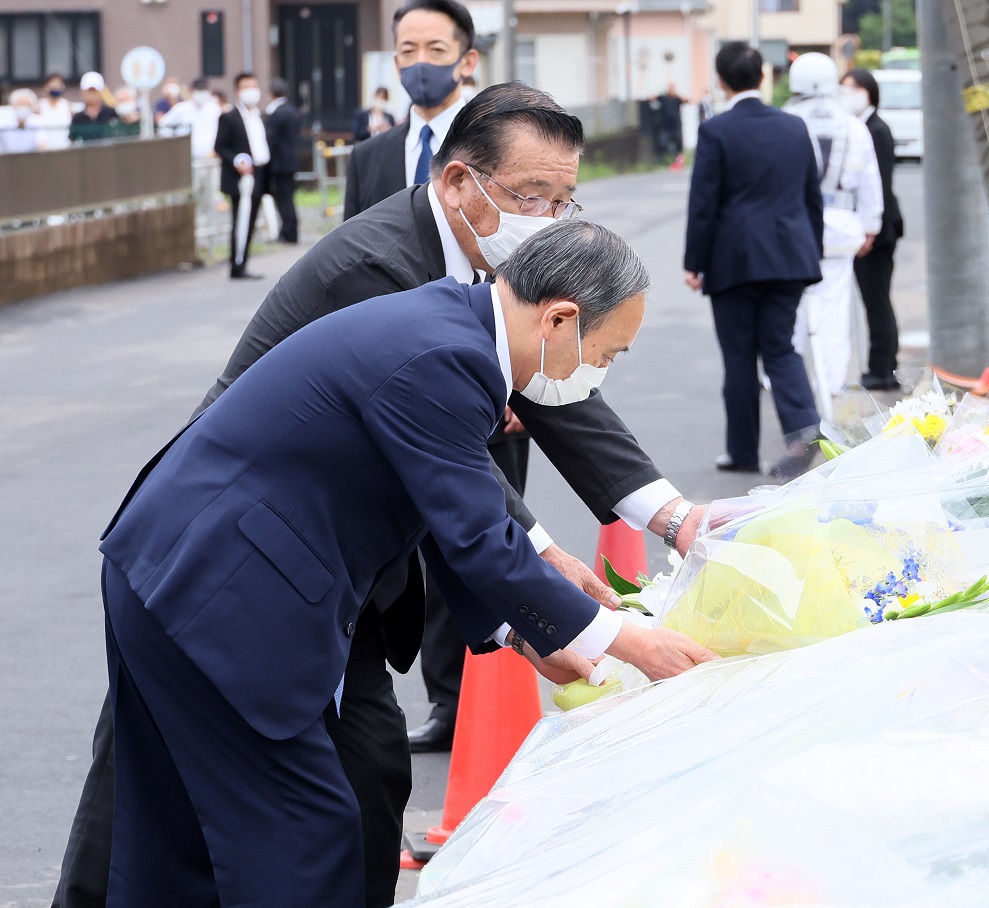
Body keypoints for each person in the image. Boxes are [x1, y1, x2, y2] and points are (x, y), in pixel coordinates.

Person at [51, 82, 711, 908]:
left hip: (190, 568)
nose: (597, 374)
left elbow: (448, 514)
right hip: (217, 585)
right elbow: (475, 534)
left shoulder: (453, 324)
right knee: (306, 832)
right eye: (605, 354)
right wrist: (628, 640)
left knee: (178, 840)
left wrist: (531, 622)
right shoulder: (441, 350)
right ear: (560, 318)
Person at [344, 0, 528, 752]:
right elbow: (357, 267)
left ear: (467, 59)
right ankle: (446, 702)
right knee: (407, 549)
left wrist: (516, 384)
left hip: (488, 384)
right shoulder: (372, 158)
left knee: (482, 535)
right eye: (406, 46)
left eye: (435, 46)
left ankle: (486, 705)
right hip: (392, 387)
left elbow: (536, 273)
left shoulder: (506, 151)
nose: (418, 58)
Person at [684, 42, 824, 481]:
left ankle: (742, 450)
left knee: (740, 358)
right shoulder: (794, 126)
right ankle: (805, 434)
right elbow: (810, 197)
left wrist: (695, 261)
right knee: (781, 348)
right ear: (763, 78)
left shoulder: (717, 130)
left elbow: (705, 202)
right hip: (789, 257)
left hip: (734, 261)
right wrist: (811, 251)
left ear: (722, 82)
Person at [784, 53, 882, 412]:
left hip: (795, 225)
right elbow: (869, 182)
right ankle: (833, 382)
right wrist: (871, 225)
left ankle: (783, 376)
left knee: (789, 305)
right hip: (841, 227)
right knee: (834, 307)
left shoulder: (787, 119)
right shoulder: (852, 125)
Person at [344, 0, 479, 219]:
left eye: (436, 49)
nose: (420, 62)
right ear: (397, 65)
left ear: (467, 62)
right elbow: (351, 247)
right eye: (408, 50)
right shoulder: (366, 158)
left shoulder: (497, 146)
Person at [843, 68, 905, 391]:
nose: (846, 93)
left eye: (851, 88)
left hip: (878, 233)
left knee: (877, 299)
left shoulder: (875, 130)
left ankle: (883, 368)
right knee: (875, 299)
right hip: (872, 229)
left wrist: (870, 231)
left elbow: (878, 186)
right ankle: (881, 365)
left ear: (868, 91)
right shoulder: (863, 128)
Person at [213, 72, 270, 279]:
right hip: (240, 177)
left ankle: (243, 260)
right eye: (246, 86)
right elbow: (220, 146)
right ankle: (236, 263)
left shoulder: (260, 116)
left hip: (260, 172)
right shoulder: (229, 117)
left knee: (252, 218)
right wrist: (237, 160)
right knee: (241, 219)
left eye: (254, 85)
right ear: (237, 90)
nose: (251, 90)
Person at [264, 78, 302, 244]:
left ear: (271, 93)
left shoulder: (276, 113)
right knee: (289, 197)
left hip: (278, 163)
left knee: (283, 199)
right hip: (291, 160)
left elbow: (270, 139)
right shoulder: (293, 111)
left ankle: (288, 232)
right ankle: (291, 230)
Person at [158, 77, 223, 159]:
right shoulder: (181, 109)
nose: (201, 94)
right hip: (186, 157)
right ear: (191, 91)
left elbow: (222, 131)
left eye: (203, 90)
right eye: (198, 90)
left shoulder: (214, 109)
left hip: (211, 157)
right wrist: (176, 141)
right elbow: (162, 126)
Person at [69, 73, 116, 143]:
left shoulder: (111, 113)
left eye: (94, 91)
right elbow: (72, 140)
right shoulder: (78, 118)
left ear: (101, 92)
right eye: (89, 91)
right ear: (82, 92)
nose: (91, 95)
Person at [0, 89, 47, 154]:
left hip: (31, 159)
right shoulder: (3, 123)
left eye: (27, 105)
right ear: (13, 106)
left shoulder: (38, 121)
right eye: (20, 104)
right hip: (7, 160)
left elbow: (42, 145)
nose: (23, 107)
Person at [38, 74, 72, 150]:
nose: (55, 88)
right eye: (53, 86)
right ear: (46, 87)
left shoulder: (67, 106)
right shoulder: (39, 106)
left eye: (58, 86)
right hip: (46, 149)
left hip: (64, 147)